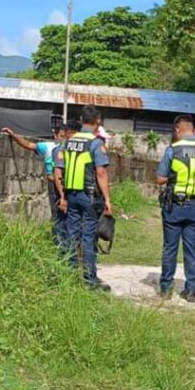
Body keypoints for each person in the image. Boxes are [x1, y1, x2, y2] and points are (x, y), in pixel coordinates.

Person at [156, 115, 195, 302]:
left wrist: (173, 179)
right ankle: (191, 291)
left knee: (170, 248)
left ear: (177, 130)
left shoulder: (172, 150)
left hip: (174, 206)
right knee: (191, 249)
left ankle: (166, 289)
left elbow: (160, 178)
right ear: (194, 131)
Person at [54, 106, 113, 290]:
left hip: (71, 196)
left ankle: (71, 276)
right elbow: (101, 172)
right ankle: (89, 280)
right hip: (89, 197)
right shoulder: (95, 143)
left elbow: (59, 169)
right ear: (98, 121)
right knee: (88, 237)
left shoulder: (68, 142)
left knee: (72, 235)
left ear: (81, 119)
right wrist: (107, 200)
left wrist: (63, 195)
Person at [1, 123, 74, 244]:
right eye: (60, 136)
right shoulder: (48, 146)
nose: (62, 139)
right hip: (53, 184)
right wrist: (14, 136)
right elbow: (29, 144)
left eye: (65, 136)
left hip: (67, 184)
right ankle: (59, 244)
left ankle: (69, 244)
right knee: (57, 215)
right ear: (55, 135)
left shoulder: (70, 148)